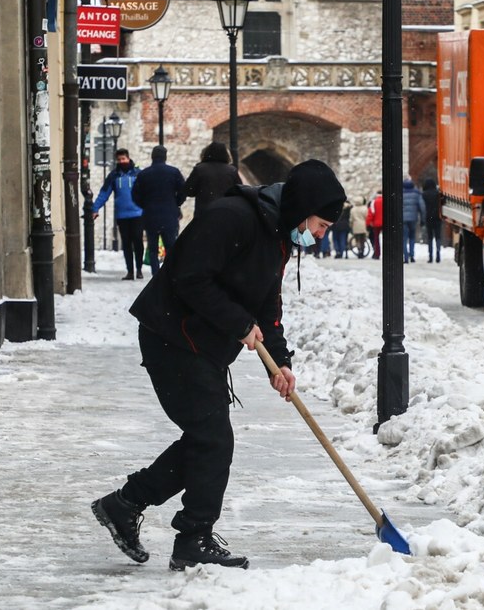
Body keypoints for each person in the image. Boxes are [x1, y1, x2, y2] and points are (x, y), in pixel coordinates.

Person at [91, 159, 347, 571]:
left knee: (205, 440)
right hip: (171, 337)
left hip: (201, 346)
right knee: (212, 439)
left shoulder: (278, 235)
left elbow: (268, 308)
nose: (319, 235)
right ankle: (193, 536)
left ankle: (125, 505)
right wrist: (237, 323)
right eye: (320, 224)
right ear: (303, 208)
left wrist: (278, 364)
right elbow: (188, 277)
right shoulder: (233, 218)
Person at [132, 146, 186, 277]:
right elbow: (183, 191)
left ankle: (156, 275)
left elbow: (135, 195)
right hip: (169, 215)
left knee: (153, 248)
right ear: (165, 157)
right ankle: (170, 274)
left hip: (151, 216)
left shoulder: (144, 174)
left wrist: (145, 205)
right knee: (170, 247)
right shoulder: (174, 172)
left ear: (152, 157)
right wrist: (176, 203)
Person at [91, 149, 145, 280]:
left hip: (138, 213)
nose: (122, 162)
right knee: (126, 244)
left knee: (138, 242)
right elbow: (104, 193)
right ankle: (130, 271)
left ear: (128, 158)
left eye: (124, 159)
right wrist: (95, 208)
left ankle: (139, 269)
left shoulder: (138, 174)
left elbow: (147, 191)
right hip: (122, 215)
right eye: (119, 160)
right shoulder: (114, 176)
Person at [184, 141, 241, 220]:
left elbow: (189, 191)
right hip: (225, 211)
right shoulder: (231, 170)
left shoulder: (200, 169)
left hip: (204, 212)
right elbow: (239, 191)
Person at [401, 178, 427, 263]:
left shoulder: (401, 193)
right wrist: (423, 219)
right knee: (412, 237)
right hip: (413, 219)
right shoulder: (416, 193)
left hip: (403, 219)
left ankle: (405, 256)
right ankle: (412, 255)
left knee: (404, 238)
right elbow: (422, 207)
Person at [421, 178, 443, 263]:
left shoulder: (424, 194)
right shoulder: (437, 194)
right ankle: (438, 255)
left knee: (430, 238)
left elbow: (423, 207)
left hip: (428, 217)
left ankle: (430, 256)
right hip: (437, 217)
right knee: (438, 237)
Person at [366, 191, 384, 260]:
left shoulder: (374, 202)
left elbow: (371, 213)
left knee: (376, 239)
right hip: (385, 223)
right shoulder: (386, 201)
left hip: (376, 223)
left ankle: (377, 254)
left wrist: (368, 223)